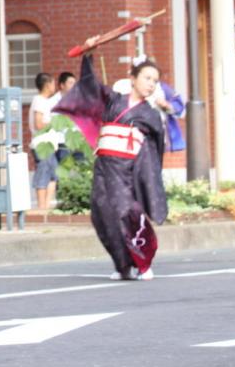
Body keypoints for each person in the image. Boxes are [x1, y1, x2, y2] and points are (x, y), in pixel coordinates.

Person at [56, 47, 166, 280]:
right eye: (147, 78)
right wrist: (89, 55)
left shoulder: (150, 115)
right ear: (132, 78)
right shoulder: (113, 101)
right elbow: (90, 86)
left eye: (155, 81)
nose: (151, 84)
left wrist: (149, 175)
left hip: (128, 171)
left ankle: (143, 263)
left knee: (128, 212)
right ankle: (123, 265)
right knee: (102, 214)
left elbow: (155, 146)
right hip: (104, 167)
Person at [29, 72, 61, 210]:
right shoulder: (39, 101)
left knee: (53, 176)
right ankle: (41, 208)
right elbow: (38, 124)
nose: (54, 86)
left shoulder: (45, 102)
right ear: (47, 85)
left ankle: (46, 207)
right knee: (43, 175)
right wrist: (53, 123)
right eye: (53, 83)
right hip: (42, 145)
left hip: (50, 145)